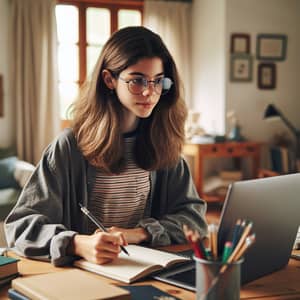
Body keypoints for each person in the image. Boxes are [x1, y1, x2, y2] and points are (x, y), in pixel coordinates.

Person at [5, 26, 207, 266]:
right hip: (82, 275)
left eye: (157, 81)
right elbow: (19, 227)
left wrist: (141, 233)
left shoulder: (164, 143)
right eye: (137, 80)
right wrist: (77, 243)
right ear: (109, 79)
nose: (149, 92)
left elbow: (194, 218)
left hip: (144, 270)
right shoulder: (68, 148)